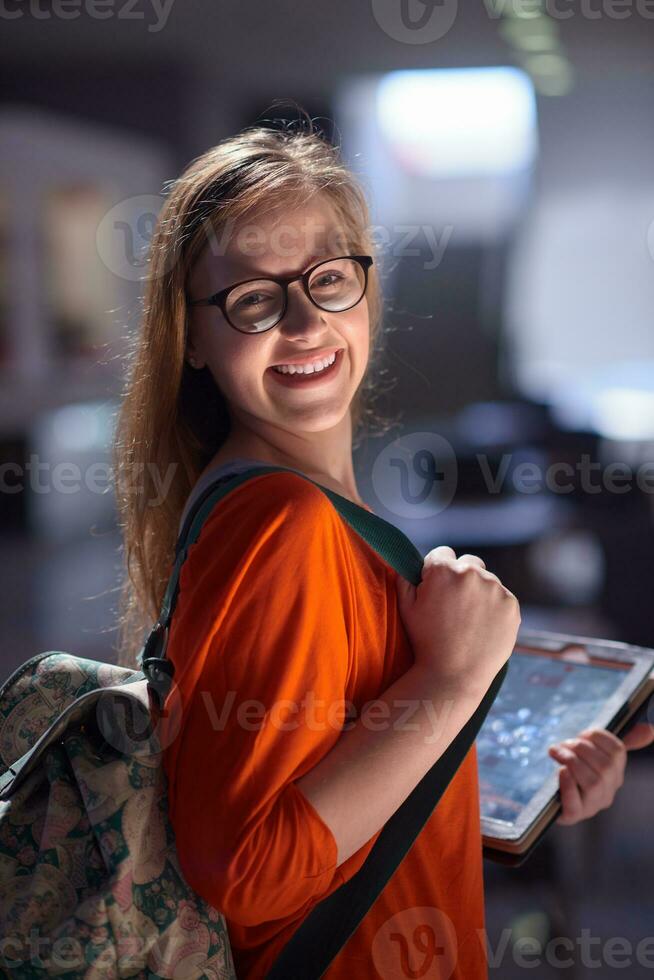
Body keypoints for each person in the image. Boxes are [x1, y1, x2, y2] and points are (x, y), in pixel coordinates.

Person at [112, 118, 654, 979]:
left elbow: (337, 786)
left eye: (328, 279)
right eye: (253, 298)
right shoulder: (281, 524)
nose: (303, 320)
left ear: (365, 291)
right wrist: (451, 680)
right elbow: (250, 873)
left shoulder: (296, 503)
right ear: (195, 340)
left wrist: (518, 791)